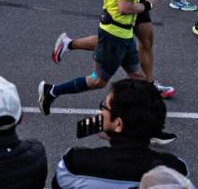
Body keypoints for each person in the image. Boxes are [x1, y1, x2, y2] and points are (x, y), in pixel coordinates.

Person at [39, 0, 152, 111]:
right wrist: (146, 5)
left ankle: (146, 118)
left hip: (122, 33)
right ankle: (52, 91)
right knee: (98, 81)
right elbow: (125, 8)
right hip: (116, 35)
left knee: (138, 76)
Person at [52, 79, 189, 188]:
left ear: (118, 124)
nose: (99, 113)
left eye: (104, 106)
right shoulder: (177, 170)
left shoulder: (74, 165)